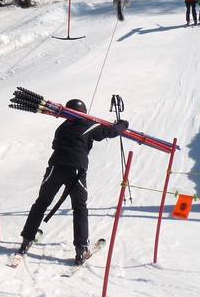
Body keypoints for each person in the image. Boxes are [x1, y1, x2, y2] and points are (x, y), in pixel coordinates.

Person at [18, 99, 128, 264]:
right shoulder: (90, 124)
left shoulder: (62, 127)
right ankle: (81, 249)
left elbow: (55, 145)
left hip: (55, 168)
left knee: (41, 203)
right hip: (76, 171)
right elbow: (111, 132)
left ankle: (27, 239)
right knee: (79, 208)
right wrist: (123, 124)